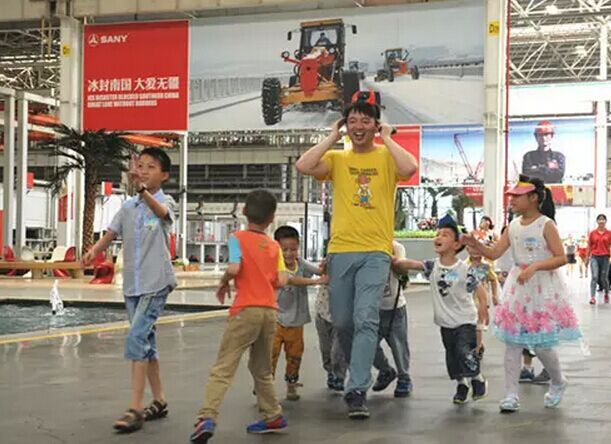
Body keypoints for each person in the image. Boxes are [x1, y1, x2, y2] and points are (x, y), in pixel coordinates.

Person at [296, 96, 418, 419]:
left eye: (366, 120)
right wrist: (331, 137)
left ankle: (357, 389)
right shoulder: (337, 159)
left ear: (376, 125)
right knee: (343, 322)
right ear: (345, 126)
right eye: (353, 121)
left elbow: (410, 168)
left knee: (366, 318)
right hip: (340, 250)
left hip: (376, 251)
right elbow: (303, 166)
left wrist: (388, 138)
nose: (359, 126)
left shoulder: (387, 157)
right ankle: (379, 368)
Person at [463, 174, 581, 413]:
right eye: (511, 196)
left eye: (517, 196)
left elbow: (561, 257)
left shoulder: (546, 224)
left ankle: (558, 381)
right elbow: (494, 253)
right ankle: (510, 394)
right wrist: (476, 245)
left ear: (533, 198)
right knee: (513, 343)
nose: (512, 200)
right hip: (518, 290)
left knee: (542, 346)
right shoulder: (513, 226)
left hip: (542, 289)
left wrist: (535, 267)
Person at [82, 147, 177, 434]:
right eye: (141, 166)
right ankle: (159, 400)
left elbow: (162, 214)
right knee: (147, 341)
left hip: (155, 283)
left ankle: (135, 408)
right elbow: (112, 232)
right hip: (133, 285)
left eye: (151, 167)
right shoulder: (128, 207)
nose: (144, 171)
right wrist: (94, 251)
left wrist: (143, 192)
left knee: (136, 337)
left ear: (164, 175)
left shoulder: (164, 201)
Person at [190, 190, 288, 444]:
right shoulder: (275, 246)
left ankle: (207, 417)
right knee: (262, 368)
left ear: (243, 211)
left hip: (245, 310)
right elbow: (282, 280)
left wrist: (224, 282)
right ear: (272, 218)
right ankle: (272, 415)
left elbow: (234, 268)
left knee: (223, 367)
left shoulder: (237, 238)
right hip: (270, 311)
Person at [393, 215, 489, 404]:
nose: (438, 237)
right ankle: (462, 385)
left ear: (456, 244)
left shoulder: (465, 269)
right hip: (445, 322)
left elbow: (481, 291)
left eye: (445, 235)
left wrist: (483, 312)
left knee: (464, 351)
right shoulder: (433, 266)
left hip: (465, 320)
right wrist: (394, 261)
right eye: (437, 234)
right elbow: (412, 264)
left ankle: (477, 379)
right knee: (452, 356)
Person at [272, 225, 327, 401]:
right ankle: (265, 386)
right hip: (275, 321)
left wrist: (327, 264)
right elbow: (292, 280)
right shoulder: (274, 266)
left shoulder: (301, 263)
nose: (289, 254)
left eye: (293, 249)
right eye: (284, 250)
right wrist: (316, 282)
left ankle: (291, 385)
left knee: (295, 356)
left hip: (296, 322)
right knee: (270, 356)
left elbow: (319, 270)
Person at [371, 241, 413, 398]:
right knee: (367, 343)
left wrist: (389, 256)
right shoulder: (363, 243)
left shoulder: (396, 247)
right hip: (371, 308)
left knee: (399, 345)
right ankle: (385, 370)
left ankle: (404, 377)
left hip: (395, 308)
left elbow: (402, 270)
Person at [466, 242, 500, 357]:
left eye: (478, 248)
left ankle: (477, 347)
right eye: (472, 248)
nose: (475, 251)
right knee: (470, 323)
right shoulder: (464, 265)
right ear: (467, 249)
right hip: (468, 298)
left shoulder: (486, 266)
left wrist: (494, 295)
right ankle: (476, 344)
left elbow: (493, 280)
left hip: (482, 300)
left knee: (478, 324)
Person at [315, 280, 347, 392]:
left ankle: (339, 376)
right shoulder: (326, 271)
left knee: (338, 350)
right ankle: (330, 372)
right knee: (325, 349)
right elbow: (316, 271)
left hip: (342, 315)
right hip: (322, 312)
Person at [587, 214, 611, 305]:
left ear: (605, 221)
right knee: (594, 277)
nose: (601, 221)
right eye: (599, 219)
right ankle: (592, 297)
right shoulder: (592, 233)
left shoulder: (609, 233)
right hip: (594, 257)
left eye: (603, 219)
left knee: (604, 278)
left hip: (605, 257)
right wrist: (587, 258)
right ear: (597, 221)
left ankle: (606, 293)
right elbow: (589, 246)